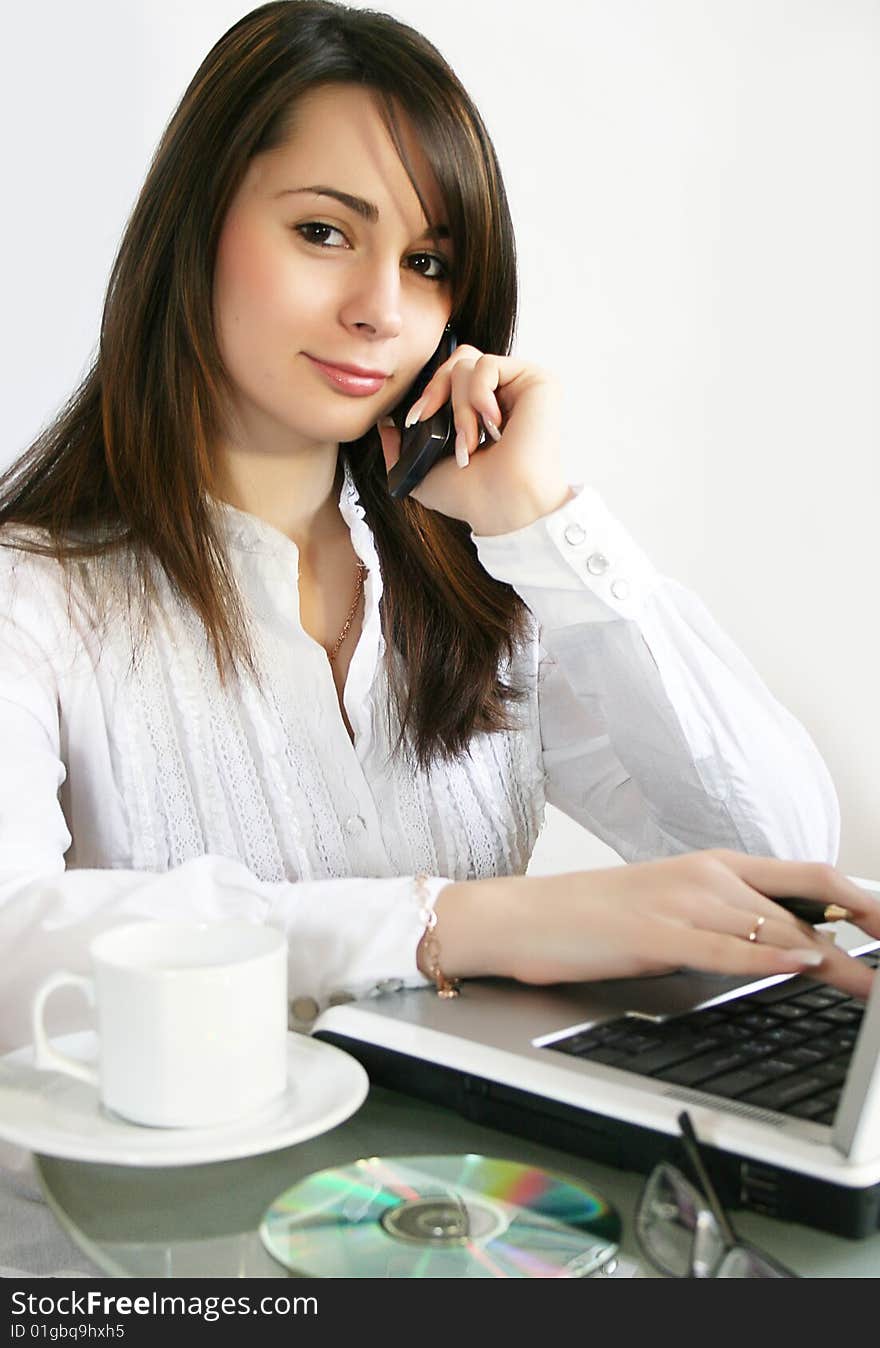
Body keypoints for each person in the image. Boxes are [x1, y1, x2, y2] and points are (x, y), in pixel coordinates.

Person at [1, 0, 878, 1058]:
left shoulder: (487, 583)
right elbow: (13, 953)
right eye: (323, 232)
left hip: (484, 1206)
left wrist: (540, 523)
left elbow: (776, 852)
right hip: (161, 1223)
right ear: (195, 229)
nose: (382, 308)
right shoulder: (35, 596)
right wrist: (444, 924)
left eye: (427, 262)